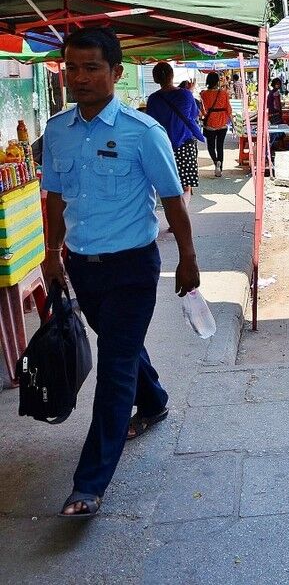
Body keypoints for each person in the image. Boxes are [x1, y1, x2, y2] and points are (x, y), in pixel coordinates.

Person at [41, 27, 200, 518]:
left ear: (115, 72)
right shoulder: (57, 132)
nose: (80, 78)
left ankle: (89, 484)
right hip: (82, 267)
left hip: (132, 267)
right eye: (72, 68)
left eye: (91, 68)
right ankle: (153, 402)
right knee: (120, 345)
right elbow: (54, 196)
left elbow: (172, 199)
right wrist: (50, 253)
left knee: (113, 368)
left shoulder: (142, 131)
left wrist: (188, 258)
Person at [146, 62, 205, 207]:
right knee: (186, 187)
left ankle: (174, 218)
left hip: (162, 147)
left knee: (168, 188)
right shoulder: (185, 95)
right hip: (184, 145)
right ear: (172, 75)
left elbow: (150, 122)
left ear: (155, 78)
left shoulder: (153, 99)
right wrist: (189, 92)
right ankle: (180, 218)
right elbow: (194, 115)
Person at [200, 72, 233, 177]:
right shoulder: (224, 93)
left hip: (210, 123)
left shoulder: (204, 94)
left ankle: (215, 162)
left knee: (210, 146)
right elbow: (229, 109)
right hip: (222, 123)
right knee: (220, 147)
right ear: (217, 81)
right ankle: (220, 170)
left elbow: (203, 110)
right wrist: (232, 121)